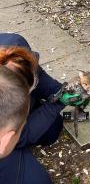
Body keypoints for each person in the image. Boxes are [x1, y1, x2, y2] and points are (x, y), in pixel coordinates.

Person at [0, 33, 84, 184]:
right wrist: (55, 104)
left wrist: (64, 92)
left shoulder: (17, 59)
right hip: (8, 141)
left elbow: (43, 81)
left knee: (53, 127)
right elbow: (19, 133)